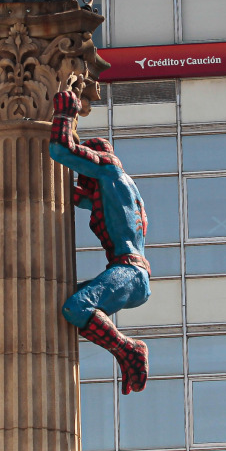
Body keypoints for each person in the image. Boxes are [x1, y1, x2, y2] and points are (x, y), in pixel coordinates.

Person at [49, 89, 151, 394]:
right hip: (131, 274)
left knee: (76, 308)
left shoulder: (109, 171)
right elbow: (72, 197)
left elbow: (60, 150)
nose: (81, 179)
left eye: (84, 174)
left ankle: (128, 349)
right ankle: (122, 350)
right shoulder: (113, 192)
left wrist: (66, 114)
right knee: (50, 301)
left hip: (129, 271)